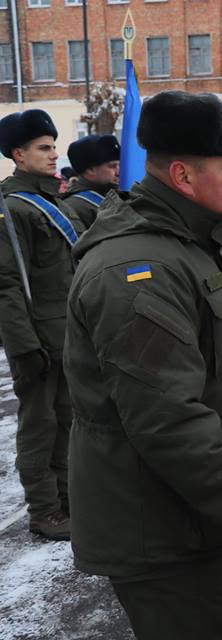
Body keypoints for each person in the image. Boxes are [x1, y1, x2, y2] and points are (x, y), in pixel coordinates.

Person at [63, 91, 222, 639]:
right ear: (183, 176)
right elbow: (171, 421)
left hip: (183, 509)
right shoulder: (139, 268)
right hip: (152, 526)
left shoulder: (185, 242)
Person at [0, 109, 84, 541]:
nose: (54, 155)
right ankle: (44, 511)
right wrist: (23, 345)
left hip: (64, 335)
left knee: (67, 420)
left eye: (54, 146)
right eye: (43, 148)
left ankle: (68, 502)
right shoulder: (13, 208)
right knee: (39, 427)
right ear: (19, 154)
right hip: (37, 341)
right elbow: (6, 284)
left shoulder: (51, 202)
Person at [63, 134, 121, 228]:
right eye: (112, 166)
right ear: (90, 170)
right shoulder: (75, 206)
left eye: (120, 165)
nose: (119, 172)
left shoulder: (115, 194)